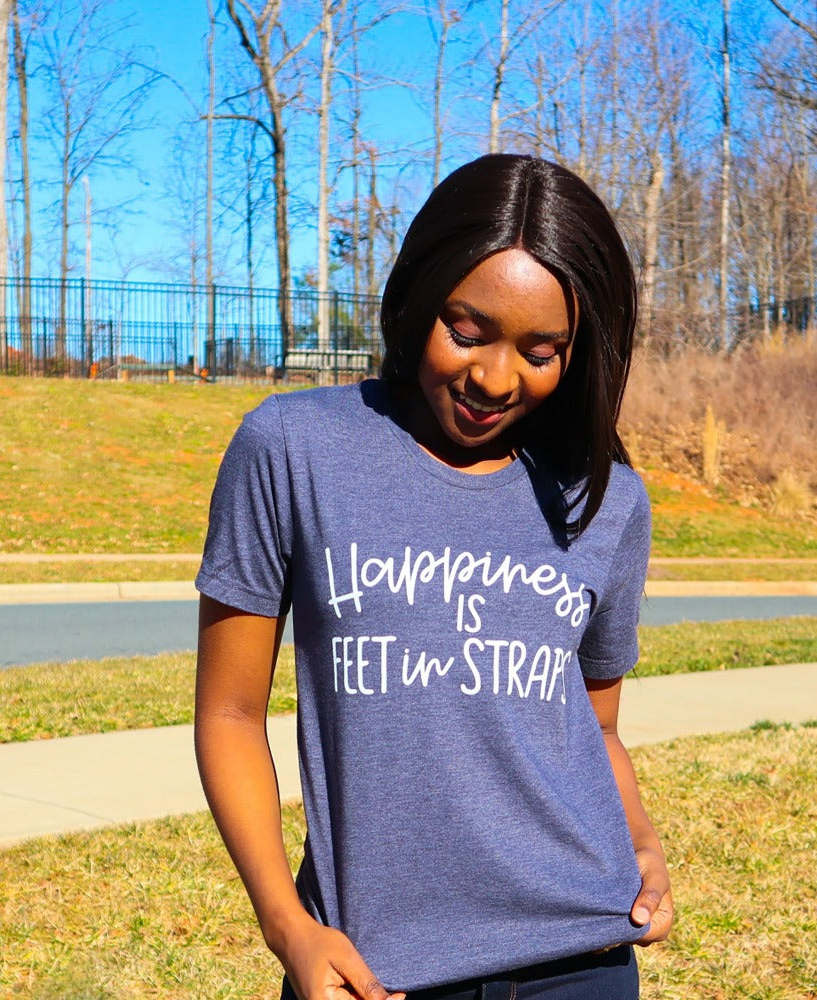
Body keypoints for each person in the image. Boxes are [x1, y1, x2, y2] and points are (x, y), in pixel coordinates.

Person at [194, 153, 673, 1000]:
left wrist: (641, 839)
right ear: (419, 296)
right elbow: (230, 714)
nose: (494, 378)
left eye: (540, 351)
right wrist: (288, 927)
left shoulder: (606, 497)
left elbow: (597, 729)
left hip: (583, 955)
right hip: (374, 971)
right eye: (467, 331)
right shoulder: (294, 448)